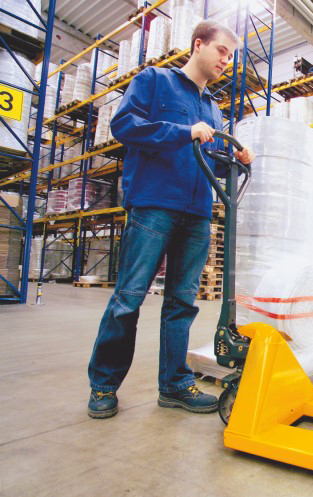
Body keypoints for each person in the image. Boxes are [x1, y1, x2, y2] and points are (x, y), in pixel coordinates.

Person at [86, 20, 254, 419]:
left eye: (230, 56)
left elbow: (209, 160)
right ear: (198, 45)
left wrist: (236, 158)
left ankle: (175, 385)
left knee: (182, 303)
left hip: (196, 213)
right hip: (154, 205)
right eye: (222, 51)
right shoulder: (154, 81)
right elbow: (125, 126)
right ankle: (103, 386)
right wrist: (183, 131)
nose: (226, 61)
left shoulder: (213, 108)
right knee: (128, 299)